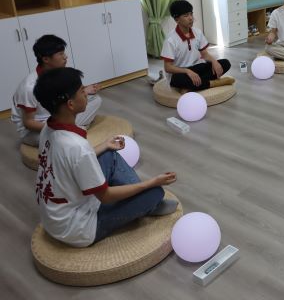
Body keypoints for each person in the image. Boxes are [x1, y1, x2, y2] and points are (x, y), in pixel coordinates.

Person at [34, 67, 179, 247]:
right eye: (82, 90)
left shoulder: (47, 130)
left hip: (57, 218)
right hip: (79, 228)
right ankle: (150, 204)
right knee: (155, 193)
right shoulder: (76, 146)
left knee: (109, 154)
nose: (86, 93)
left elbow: (71, 162)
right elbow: (106, 196)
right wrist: (152, 182)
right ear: (70, 104)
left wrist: (105, 145)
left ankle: (144, 202)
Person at [11, 34, 101, 146]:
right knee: (64, 139)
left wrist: (84, 91)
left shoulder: (57, 73)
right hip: (35, 130)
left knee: (95, 100)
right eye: (60, 54)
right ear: (46, 59)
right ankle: (72, 129)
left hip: (56, 115)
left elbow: (64, 96)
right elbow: (28, 123)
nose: (65, 57)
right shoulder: (29, 87)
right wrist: (59, 127)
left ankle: (70, 129)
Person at [161, 0, 233, 91]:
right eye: (186, 15)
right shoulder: (170, 40)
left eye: (191, 14)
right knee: (178, 79)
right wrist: (187, 71)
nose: (191, 18)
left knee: (225, 63)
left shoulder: (197, 33)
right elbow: (168, 68)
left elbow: (205, 55)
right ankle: (213, 83)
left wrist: (214, 61)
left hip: (197, 68)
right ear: (176, 19)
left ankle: (193, 86)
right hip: (181, 72)